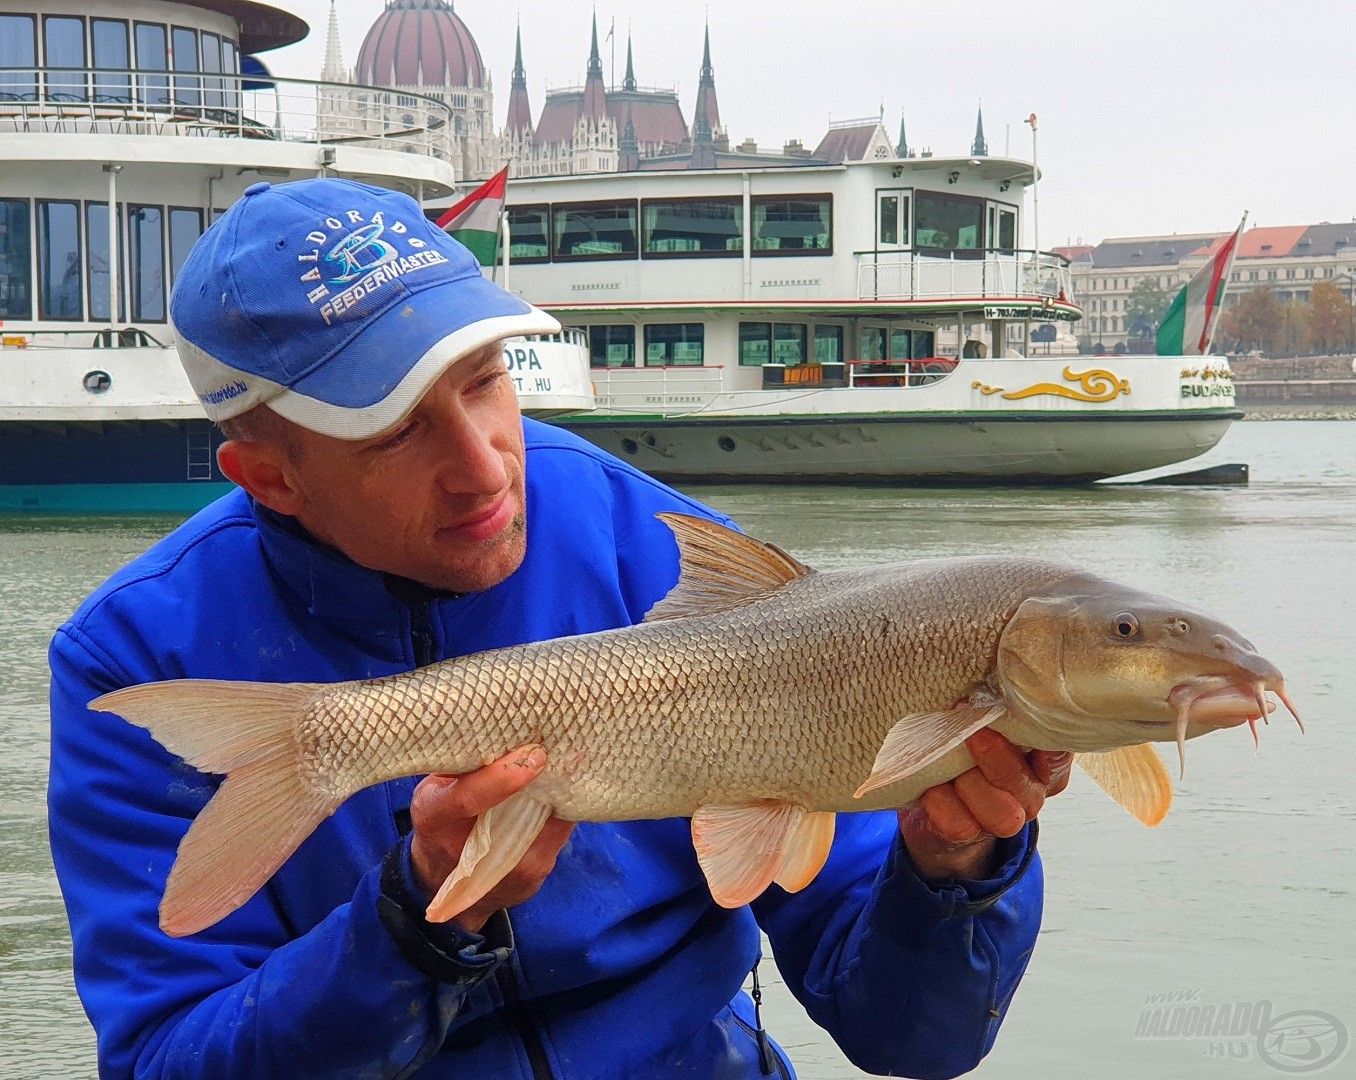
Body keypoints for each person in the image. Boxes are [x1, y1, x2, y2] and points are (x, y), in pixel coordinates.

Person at [48, 178, 1072, 1079]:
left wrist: (955, 874)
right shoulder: (137, 658)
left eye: (488, 380)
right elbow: (168, 1059)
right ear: (270, 477)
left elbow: (911, 1039)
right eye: (400, 429)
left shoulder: (670, 556)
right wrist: (413, 923)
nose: (487, 466)